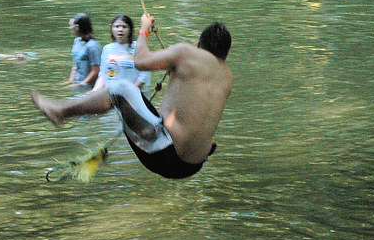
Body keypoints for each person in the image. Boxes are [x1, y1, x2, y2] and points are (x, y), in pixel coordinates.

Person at [31, 12, 232, 179]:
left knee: (122, 88)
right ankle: (63, 112)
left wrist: (144, 29)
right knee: (137, 99)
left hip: (164, 153)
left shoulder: (185, 53)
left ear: (198, 44)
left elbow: (141, 61)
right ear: (226, 53)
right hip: (192, 166)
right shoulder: (227, 77)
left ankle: (62, 112)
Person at [92, 14, 150, 92]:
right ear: (112, 30)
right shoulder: (107, 49)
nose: (120, 29)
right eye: (117, 26)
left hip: (135, 94)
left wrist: (131, 92)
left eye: (124, 27)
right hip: (112, 95)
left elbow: (144, 75)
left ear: (130, 30)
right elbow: (103, 76)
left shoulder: (138, 46)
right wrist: (93, 92)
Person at [65, 13, 100, 87]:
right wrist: (70, 81)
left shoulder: (92, 45)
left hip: (88, 85)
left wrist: (82, 84)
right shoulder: (76, 41)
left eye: (71, 26)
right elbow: (75, 65)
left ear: (77, 27)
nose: (69, 28)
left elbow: (95, 71)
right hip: (77, 82)